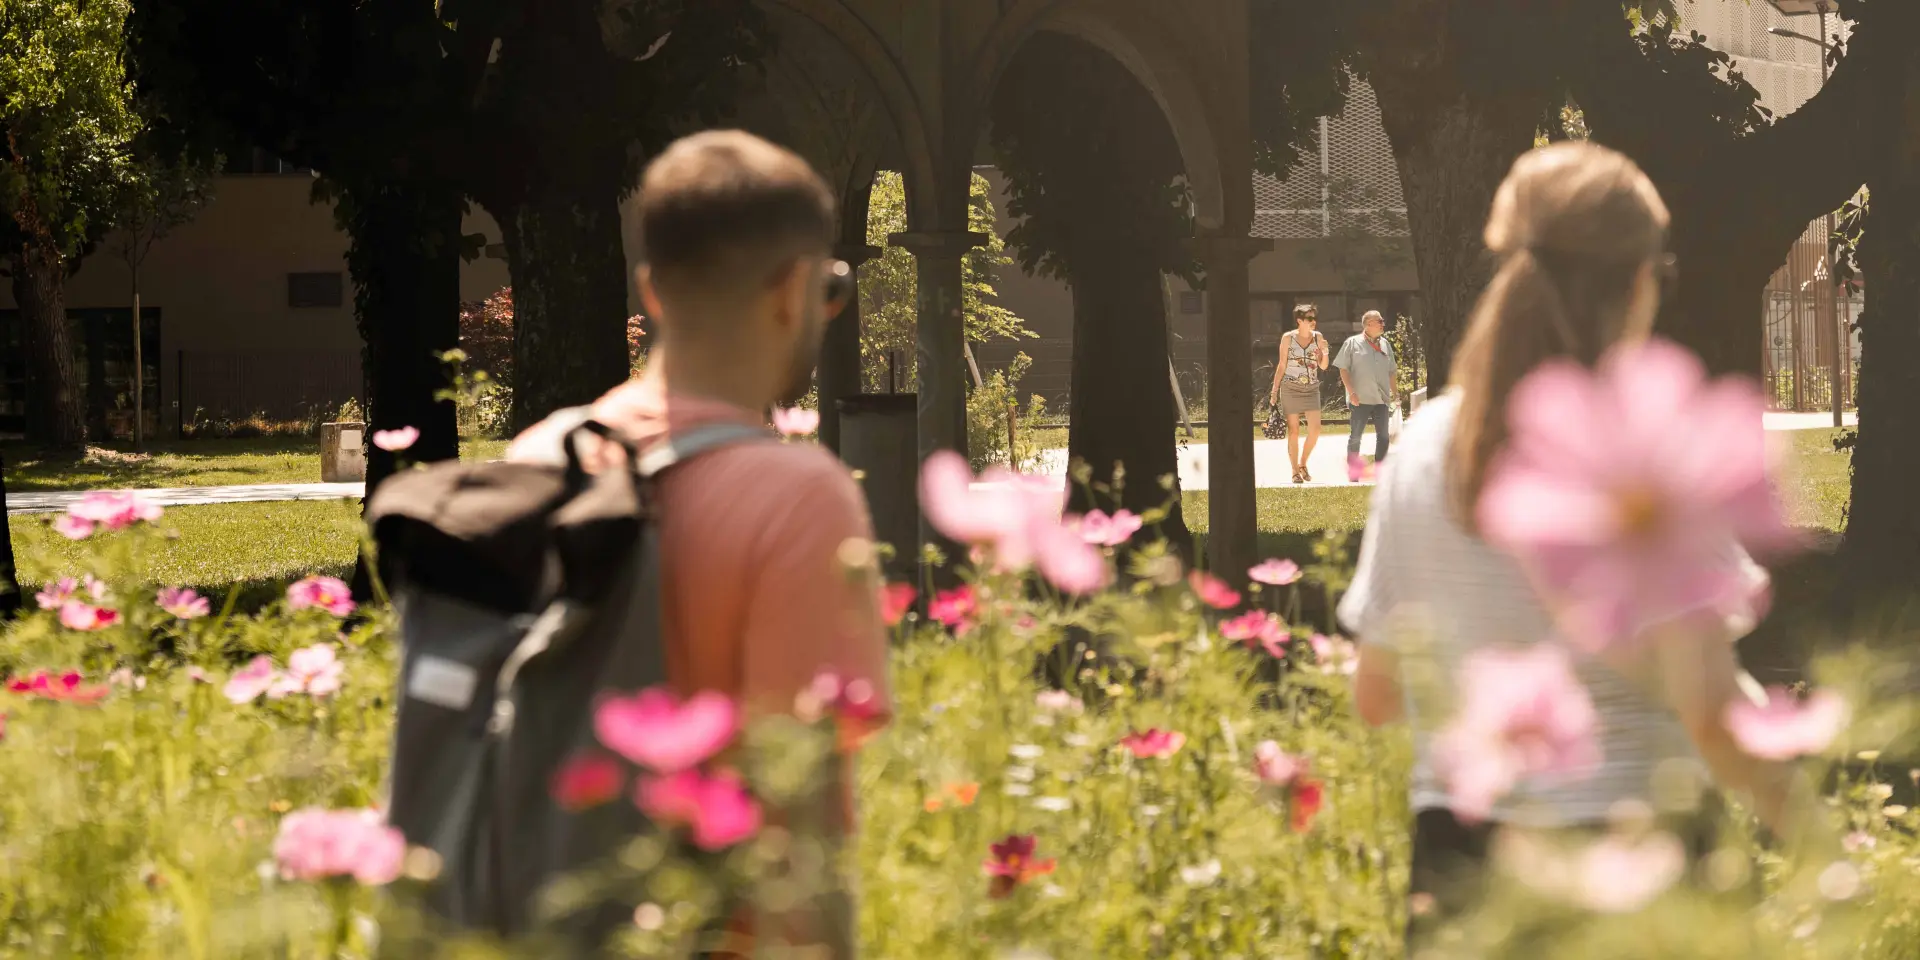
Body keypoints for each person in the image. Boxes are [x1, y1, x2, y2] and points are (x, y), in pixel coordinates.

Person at [1337, 142, 1818, 945]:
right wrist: (1823, 850)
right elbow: (1708, 714)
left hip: (1464, 874)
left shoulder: (1422, 446)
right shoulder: (1644, 450)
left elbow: (1376, 696)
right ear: (1638, 280)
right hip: (1642, 865)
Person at [507, 130, 889, 952]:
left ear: (651, 290)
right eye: (831, 288)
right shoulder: (801, 500)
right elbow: (804, 828)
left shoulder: (538, 458)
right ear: (793, 290)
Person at [1269, 303, 1329, 483]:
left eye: (1314, 318)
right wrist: (1274, 391)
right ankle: (1294, 470)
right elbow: (1282, 365)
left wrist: (1324, 352)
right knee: (1293, 431)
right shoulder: (1288, 338)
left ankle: (1303, 463)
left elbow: (1323, 366)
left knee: (1315, 430)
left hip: (1311, 388)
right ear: (1299, 321)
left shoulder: (1318, 337)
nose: (1313, 322)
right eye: (1309, 318)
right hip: (1290, 387)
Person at [1333, 310, 1396, 482]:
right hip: (1359, 399)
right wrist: (1351, 392)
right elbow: (1343, 369)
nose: (1383, 323)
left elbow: (1391, 372)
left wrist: (1395, 394)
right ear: (1368, 324)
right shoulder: (1352, 343)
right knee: (1356, 436)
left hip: (1382, 399)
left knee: (1383, 436)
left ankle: (1380, 472)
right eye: (1380, 321)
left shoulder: (1386, 345)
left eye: (1383, 321)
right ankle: (1353, 472)